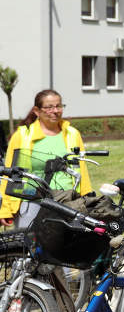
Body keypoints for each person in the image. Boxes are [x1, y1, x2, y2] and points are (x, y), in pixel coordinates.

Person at [0, 89, 92, 228]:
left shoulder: (72, 134)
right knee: (29, 246)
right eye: (49, 107)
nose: (55, 111)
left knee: (65, 247)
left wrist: (88, 199)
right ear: (37, 111)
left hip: (67, 202)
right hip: (32, 201)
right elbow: (11, 176)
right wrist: (6, 209)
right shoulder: (23, 135)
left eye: (58, 106)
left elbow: (82, 172)